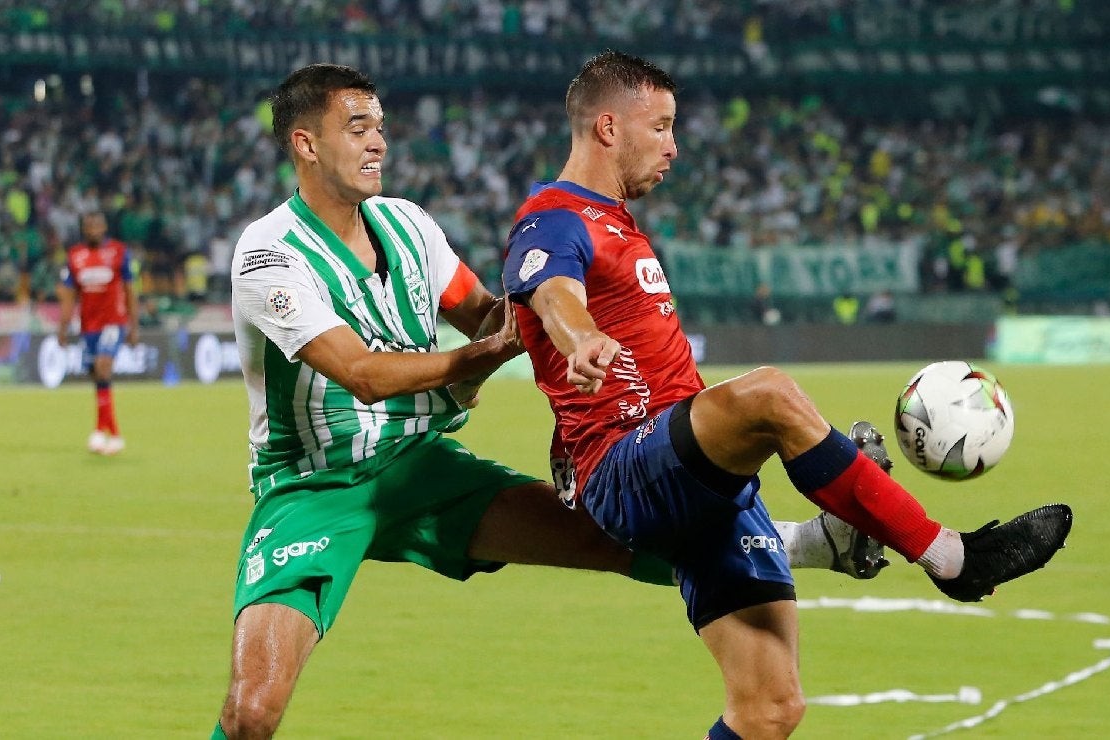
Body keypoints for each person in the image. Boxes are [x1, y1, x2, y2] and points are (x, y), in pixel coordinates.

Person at [212, 63, 886, 740]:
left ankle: (809, 541)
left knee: (616, 523)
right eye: (358, 129)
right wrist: (483, 358)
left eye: (380, 127)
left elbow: (490, 320)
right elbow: (361, 373)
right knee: (252, 714)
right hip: (315, 487)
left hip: (419, 468)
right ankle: (809, 541)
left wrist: (564, 320)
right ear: (305, 144)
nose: (379, 143)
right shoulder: (269, 253)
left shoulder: (407, 225)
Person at [501, 51, 1073, 739]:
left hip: (697, 485)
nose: (674, 147)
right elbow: (553, 292)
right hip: (628, 470)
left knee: (770, 710)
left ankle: (835, 537)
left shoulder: (620, 224)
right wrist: (580, 337)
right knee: (767, 395)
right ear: (606, 128)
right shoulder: (554, 216)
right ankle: (953, 558)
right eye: (661, 127)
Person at [57, 211, 140, 455]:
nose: (93, 229)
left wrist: (134, 325)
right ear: (84, 229)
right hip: (88, 326)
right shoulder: (75, 256)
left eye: (97, 225)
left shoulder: (118, 252)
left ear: (104, 227)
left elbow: (129, 289)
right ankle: (105, 430)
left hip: (113, 321)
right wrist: (62, 327)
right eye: (88, 225)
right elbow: (69, 296)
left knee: (104, 366)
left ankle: (110, 434)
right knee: (96, 374)